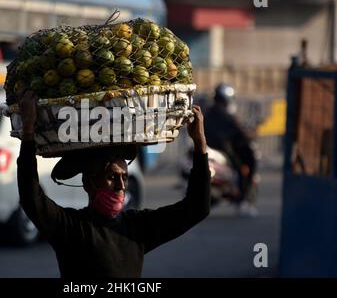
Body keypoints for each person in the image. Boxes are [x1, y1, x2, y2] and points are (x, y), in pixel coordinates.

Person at [16, 90, 211, 278]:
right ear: (88, 183)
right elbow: (30, 196)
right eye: (111, 177)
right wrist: (27, 133)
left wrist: (200, 145)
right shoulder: (71, 228)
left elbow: (197, 208)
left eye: (124, 177)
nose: (121, 186)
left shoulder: (137, 226)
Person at [203, 83, 258, 216]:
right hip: (223, 150)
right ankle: (242, 201)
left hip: (208, 148)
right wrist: (250, 133)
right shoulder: (227, 115)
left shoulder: (209, 112)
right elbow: (241, 132)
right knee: (242, 168)